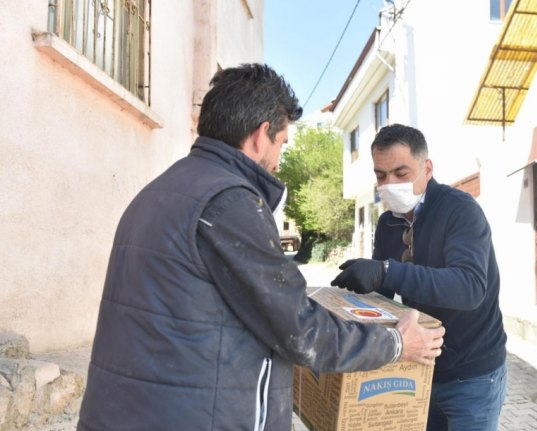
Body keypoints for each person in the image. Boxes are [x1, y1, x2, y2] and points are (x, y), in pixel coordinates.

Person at [77, 65, 445, 431]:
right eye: (282, 143)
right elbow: (300, 331)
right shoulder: (229, 203)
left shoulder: (160, 191)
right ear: (261, 134)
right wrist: (396, 343)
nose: (279, 159)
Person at [331, 123, 507, 431]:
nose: (389, 184)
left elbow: (469, 287)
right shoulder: (388, 223)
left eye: (401, 173)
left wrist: (388, 270)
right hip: (420, 366)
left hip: (472, 373)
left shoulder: (459, 211)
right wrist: (355, 302)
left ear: (427, 168)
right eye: (381, 175)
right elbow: (384, 294)